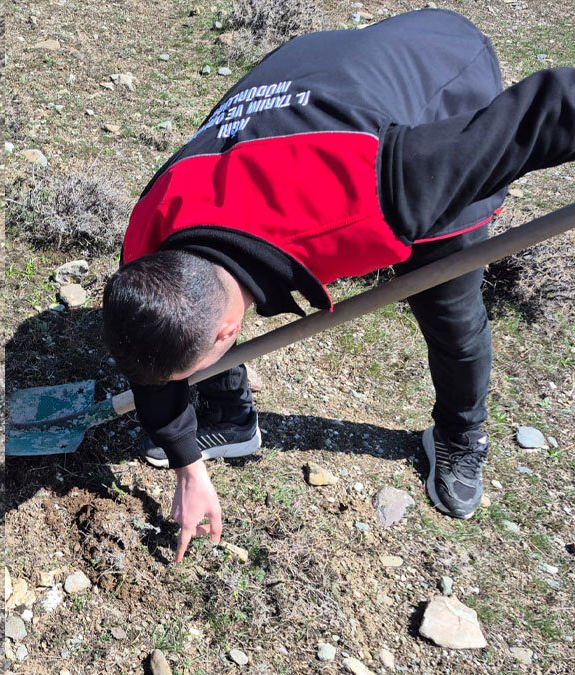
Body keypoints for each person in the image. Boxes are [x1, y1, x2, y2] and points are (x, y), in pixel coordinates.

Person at [102, 9, 575, 563]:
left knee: (451, 312)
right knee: (181, 324)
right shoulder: (150, 233)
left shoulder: (383, 186)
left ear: (231, 332)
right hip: (322, 73)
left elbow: (547, 107)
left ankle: (459, 435)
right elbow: (159, 353)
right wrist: (186, 462)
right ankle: (230, 417)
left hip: (441, 76)